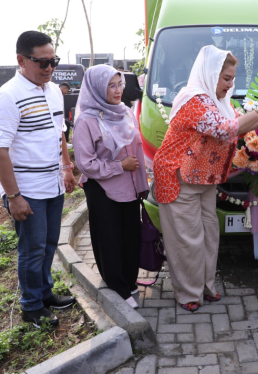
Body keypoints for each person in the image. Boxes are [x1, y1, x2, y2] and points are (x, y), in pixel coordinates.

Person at [152, 45, 258, 311]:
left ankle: (205, 287)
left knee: (208, 235)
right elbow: (223, 129)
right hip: (178, 177)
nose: (230, 85)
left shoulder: (217, 102)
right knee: (188, 239)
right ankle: (188, 294)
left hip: (203, 178)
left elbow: (241, 123)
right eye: (226, 78)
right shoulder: (195, 99)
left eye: (232, 79)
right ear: (210, 73)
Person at [0, 30, 77, 327]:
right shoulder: (8, 97)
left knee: (49, 243)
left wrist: (66, 167)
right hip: (27, 190)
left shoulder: (52, 90)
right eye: (43, 62)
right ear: (21, 60)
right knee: (32, 248)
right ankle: (31, 307)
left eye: (54, 61)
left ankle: (45, 293)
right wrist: (13, 197)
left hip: (52, 184)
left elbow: (59, 132)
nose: (49, 68)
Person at [72, 65, 149, 309]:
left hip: (129, 187)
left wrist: (141, 182)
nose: (117, 91)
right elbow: (85, 163)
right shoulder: (87, 120)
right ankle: (117, 285)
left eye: (120, 85)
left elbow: (136, 149)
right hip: (103, 190)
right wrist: (119, 166)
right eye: (111, 86)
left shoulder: (124, 111)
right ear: (96, 88)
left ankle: (128, 278)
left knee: (130, 235)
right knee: (110, 239)